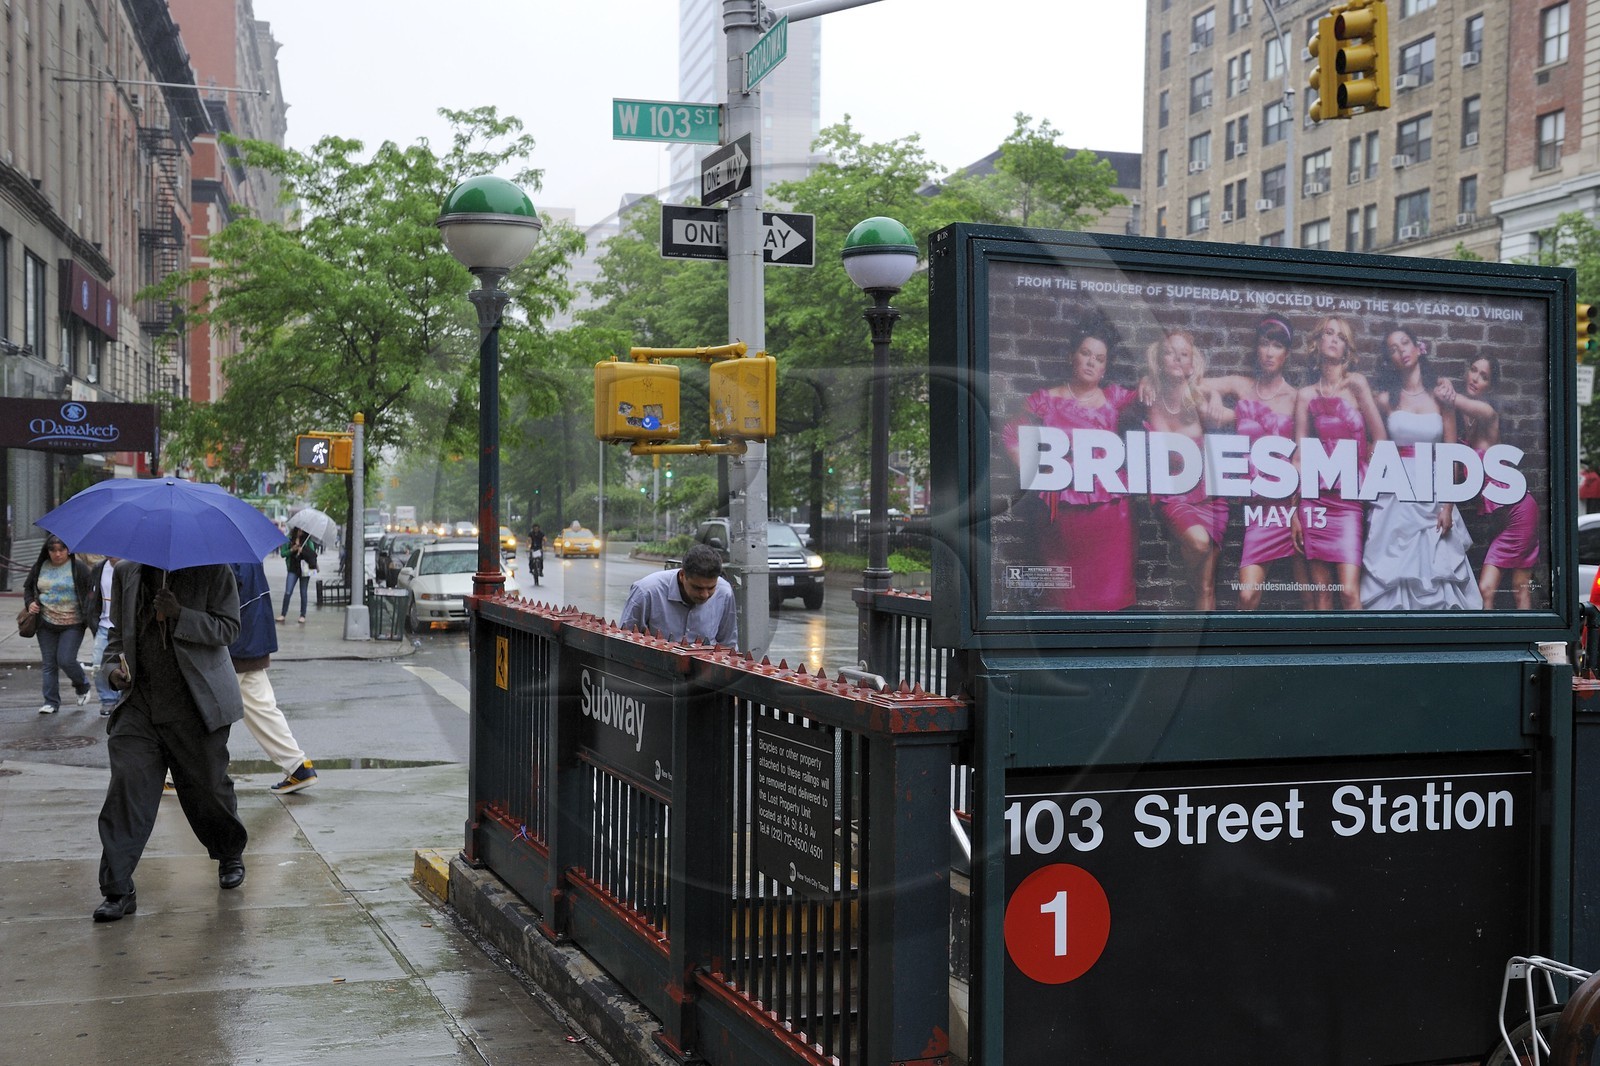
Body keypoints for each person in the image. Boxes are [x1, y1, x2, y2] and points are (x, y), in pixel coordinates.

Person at [94, 561, 249, 922]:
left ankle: (228, 851)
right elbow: (117, 634)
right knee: (127, 788)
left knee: (207, 790)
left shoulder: (214, 570)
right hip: (140, 706)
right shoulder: (126, 573)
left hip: (196, 705)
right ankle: (117, 887)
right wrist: (111, 671)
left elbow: (229, 628)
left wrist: (180, 615)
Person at [1001, 311, 1141, 611]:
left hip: (1111, 516)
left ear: (1105, 367)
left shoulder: (1115, 398)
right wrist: (1038, 473)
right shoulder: (1045, 399)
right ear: (1071, 357)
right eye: (1085, 353)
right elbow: (1011, 433)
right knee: (1065, 601)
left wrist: (1151, 384)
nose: (1091, 362)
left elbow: (1153, 402)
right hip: (1063, 514)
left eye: (1099, 358)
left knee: (1112, 600)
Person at [1359, 325, 1482, 611]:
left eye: (1405, 343)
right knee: (1394, 575)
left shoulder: (1441, 395)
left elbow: (1451, 453)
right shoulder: (1384, 400)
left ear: (1418, 347)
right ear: (1388, 359)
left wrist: (1448, 506)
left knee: (1439, 574)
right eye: (1392, 348)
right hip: (1396, 494)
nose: (1400, 350)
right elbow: (1372, 444)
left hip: (1434, 490)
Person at [1201, 315, 1313, 610]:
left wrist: (1296, 510)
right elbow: (1189, 384)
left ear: (1287, 353)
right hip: (1261, 512)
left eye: (1277, 345)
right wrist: (1214, 393)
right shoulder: (1241, 387)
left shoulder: (1296, 397)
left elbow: (1304, 455)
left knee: (1311, 597)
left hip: (1291, 508)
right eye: (1265, 343)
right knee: (1247, 595)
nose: (1269, 352)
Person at [1292, 316, 1385, 610]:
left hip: (1348, 501)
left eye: (1341, 337)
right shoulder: (1305, 395)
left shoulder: (1356, 384)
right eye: (1328, 333)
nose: (1333, 339)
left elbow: (1380, 439)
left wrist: (1363, 475)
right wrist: (1295, 510)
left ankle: (1361, 655)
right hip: (1315, 502)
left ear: (1347, 349)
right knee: (1322, 594)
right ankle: (1324, 656)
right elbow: (1299, 456)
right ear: (1317, 342)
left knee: (1348, 592)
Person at [1436, 353, 1538, 609]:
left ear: (1490, 386)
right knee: (1518, 590)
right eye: (1473, 370)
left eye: (1484, 377)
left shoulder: (1487, 413)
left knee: (1493, 588)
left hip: (1519, 512)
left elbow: (1447, 396)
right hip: (1506, 519)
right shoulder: (1466, 422)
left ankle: (1518, 646)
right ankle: (1517, 646)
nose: (1476, 378)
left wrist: (1443, 383)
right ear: (1466, 372)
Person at [1140, 329, 1230, 610]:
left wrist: (1215, 398)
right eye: (1169, 352)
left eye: (1184, 354)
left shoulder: (1200, 397)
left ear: (1192, 364)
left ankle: (1207, 651)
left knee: (1206, 588)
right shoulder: (1147, 394)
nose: (1177, 359)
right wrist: (1144, 379)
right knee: (1198, 544)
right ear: (1159, 359)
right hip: (1174, 494)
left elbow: (1242, 412)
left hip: (1210, 494)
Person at [230, 561, 318, 793]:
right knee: (262, 710)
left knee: (200, 714)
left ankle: (174, 775)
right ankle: (298, 766)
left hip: (233, 648)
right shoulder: (246, 554)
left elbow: (220, 604)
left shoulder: (225, 558)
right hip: (252, 643)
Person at [23, 536, 93, 714]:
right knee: (49, 664)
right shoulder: (41, 567)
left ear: (68, 550)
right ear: (47, 551)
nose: (57, 553)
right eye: (53, 550)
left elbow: (91, 592)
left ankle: (82, 685)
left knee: (66, 659)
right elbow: (28, 587)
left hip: (73, 623)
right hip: (45, 622)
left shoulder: (79, 568)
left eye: (61, 549)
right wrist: (30, 603)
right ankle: (51, 702)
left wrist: (91, 614)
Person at [619, 543, 738, 647]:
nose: (705, 595)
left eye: (711, 588)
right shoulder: (646, 592)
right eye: (697, 588)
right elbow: (625, 640)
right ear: (682, 575)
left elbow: (727, 644)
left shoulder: (724, 592)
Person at [85, 555, 124, 714]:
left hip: (123, 625)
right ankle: (107, 700)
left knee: (124, 664)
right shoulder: (99, 568)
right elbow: (93, 594)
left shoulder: (129, 568)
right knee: (98, 664)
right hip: (103, 625)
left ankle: (122, 697)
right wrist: (92, 619)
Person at [279, 529, 317, 624]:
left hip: (304, 570)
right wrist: (292, 549)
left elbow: (313, 555)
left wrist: (303, 551)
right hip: (292, 569)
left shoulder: (308, 541)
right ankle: (283, 614)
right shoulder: (288, 540)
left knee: (303, 592)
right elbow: (283, 554)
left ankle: (302, 615)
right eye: (299, 529)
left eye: (302, 530)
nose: (300, 531)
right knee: (288, 592)